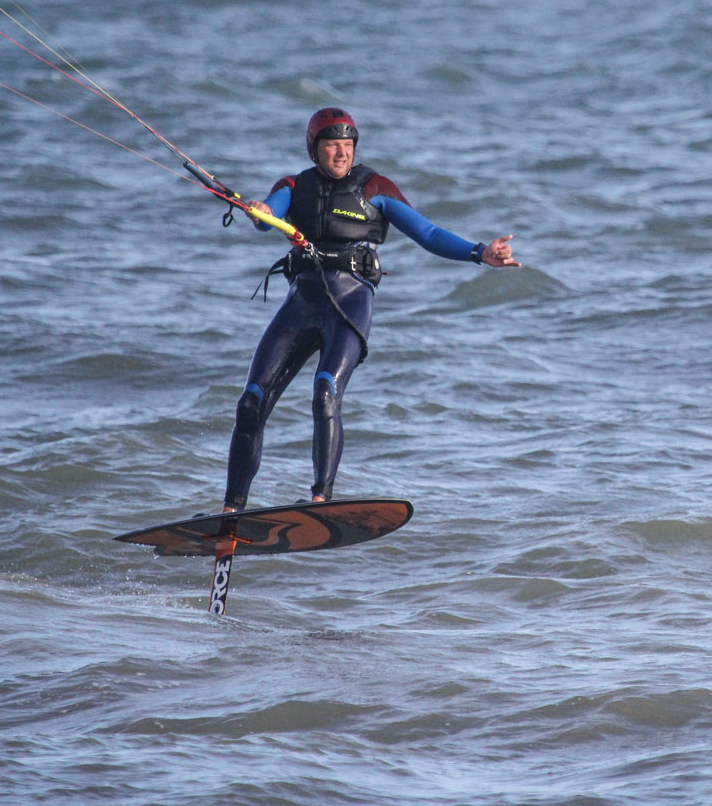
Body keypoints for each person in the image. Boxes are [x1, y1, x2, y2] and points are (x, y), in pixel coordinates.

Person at [222, 107, 519, 512]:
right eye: (332, 146)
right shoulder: (294, 186)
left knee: (324, 392)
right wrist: (261, 211)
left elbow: (428, 233)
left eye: (348, 145)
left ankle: (319, 498)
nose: (341, 154)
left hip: (349, 304)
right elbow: (266, 217)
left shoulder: (375, 187)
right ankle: (232, 510)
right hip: (302, 304)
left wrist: (479, 253)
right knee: (250, 402)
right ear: (315, 150)